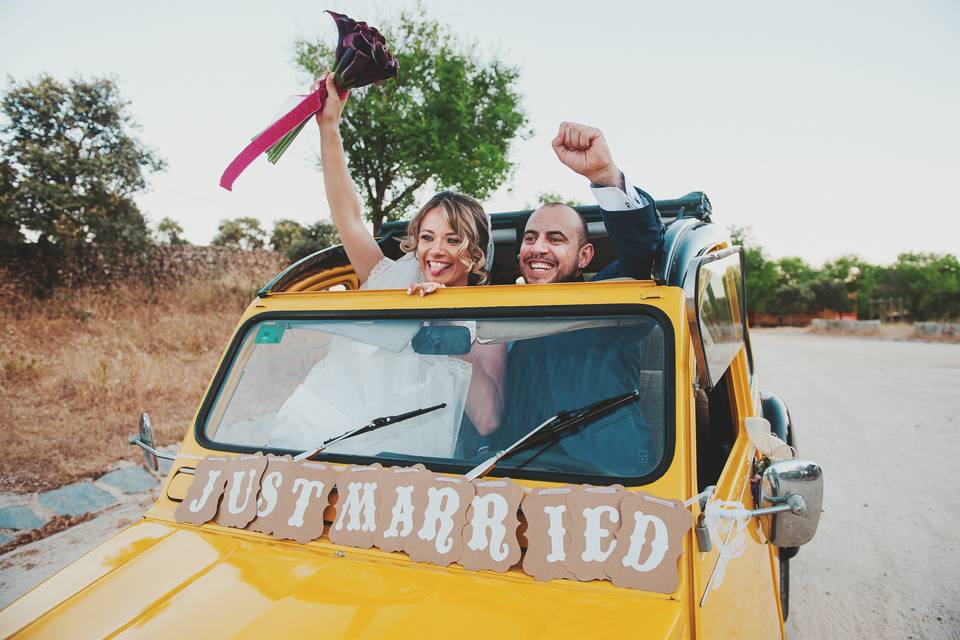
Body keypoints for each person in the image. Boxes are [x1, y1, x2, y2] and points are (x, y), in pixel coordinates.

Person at [312, 72, 506, 439]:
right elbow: (348, 218)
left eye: (453, 240)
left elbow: (489, 420)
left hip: (423, 466)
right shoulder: (388, 279)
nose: (436, 250)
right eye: (428, 237)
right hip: (348, 443)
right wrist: (329, 127)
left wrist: (445, 327)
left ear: (475, 252)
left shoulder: (487, 327)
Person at [489, 122, 666, 475]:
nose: (538, 248)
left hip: (616, 477)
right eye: (530, 238)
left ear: (584, 257)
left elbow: (643, 252)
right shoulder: (500, 313)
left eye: (556, 239)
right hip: (521, 476)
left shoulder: (607, 303)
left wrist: (604, 175)